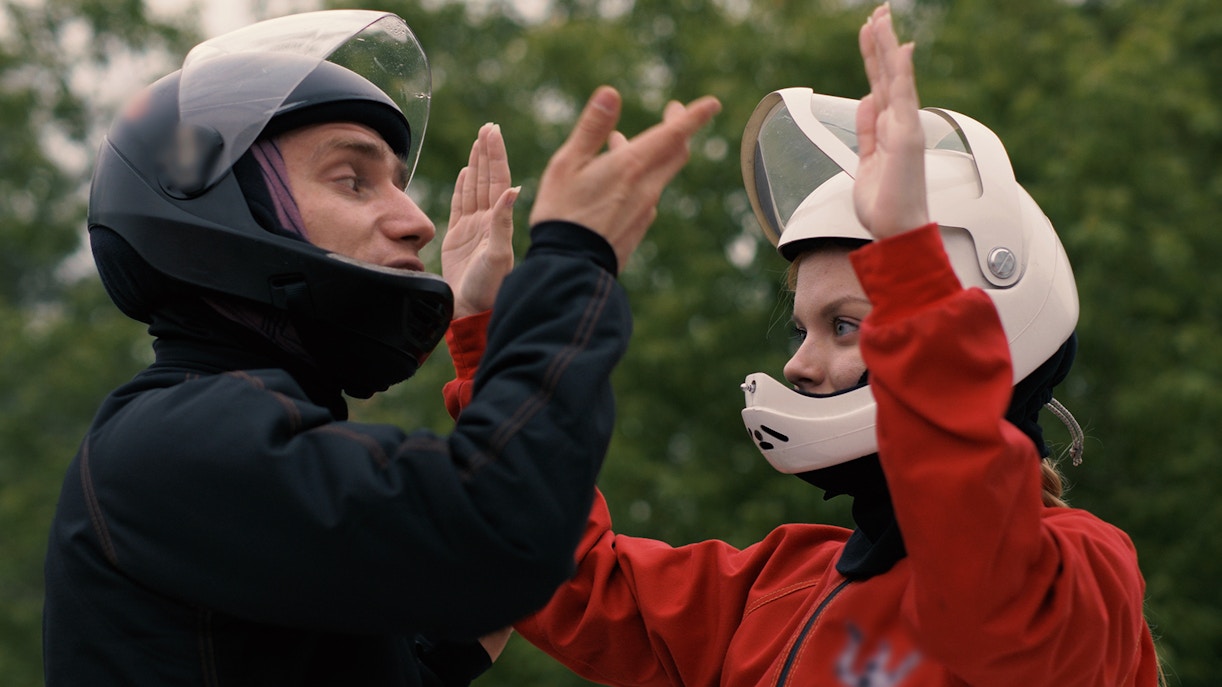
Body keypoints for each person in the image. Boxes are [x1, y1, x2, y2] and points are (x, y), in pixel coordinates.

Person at [442, 5, 1160, 685]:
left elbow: (995, 596)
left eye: (845, 325)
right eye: (801, 329)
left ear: (985, 332)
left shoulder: (1083, 577)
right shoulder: (780, 583)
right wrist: (489, 341)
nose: (797, 364)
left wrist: (911, 259)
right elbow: (554, 570)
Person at [42, 9, 720, 686]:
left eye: (400, 183)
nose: (419, 221)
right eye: (353, 179)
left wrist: (485, 326)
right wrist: (573, 259)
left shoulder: (222, 435)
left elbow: (478, 575)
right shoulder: (175, 438)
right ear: (228, 207)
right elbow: (504, 531)